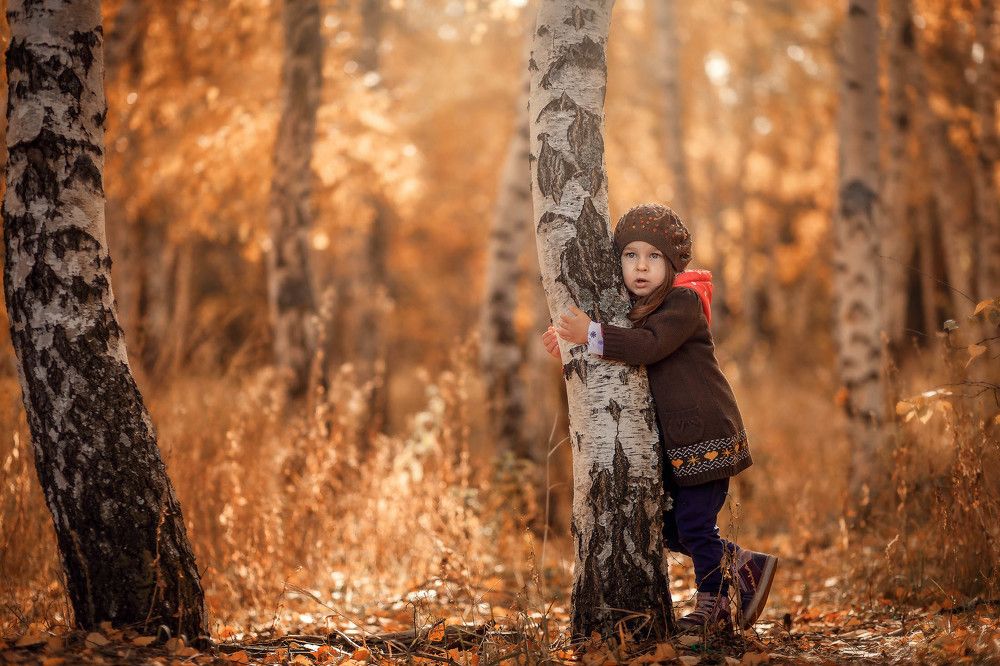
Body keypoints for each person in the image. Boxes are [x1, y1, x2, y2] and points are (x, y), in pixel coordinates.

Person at [541, 203, 777, 633]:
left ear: (672, 264)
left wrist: (590, 334)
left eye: (654, 257)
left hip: (706, 436)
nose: (641, 267)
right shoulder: (635, 306)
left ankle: (715, 603)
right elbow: (624, 336)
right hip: (678, 444)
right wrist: (571, 338)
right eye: (630, 256)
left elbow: (646, 345)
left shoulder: (683, 303)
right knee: (665, 524)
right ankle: (742, 566)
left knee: (693, 523)